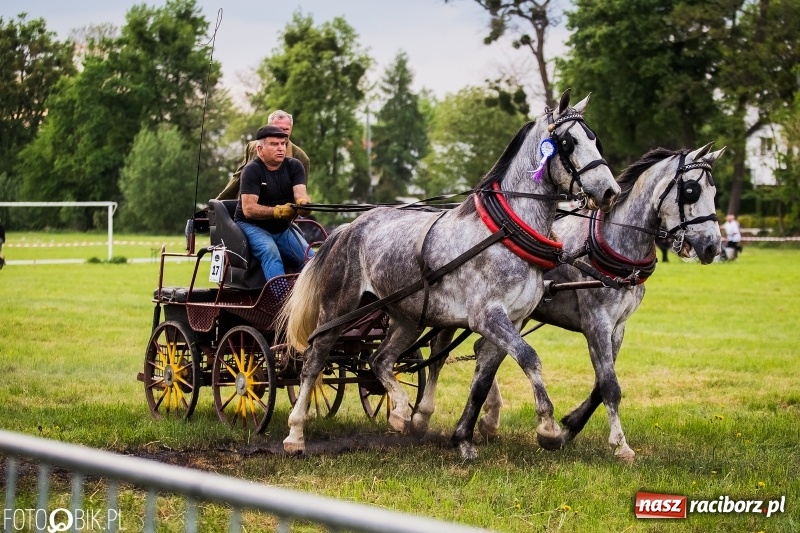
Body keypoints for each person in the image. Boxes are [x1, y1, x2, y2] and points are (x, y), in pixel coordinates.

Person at [234, 125, 313, 280]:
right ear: (259, 149)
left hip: (281, 228)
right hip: (252, 225)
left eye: (283, 144)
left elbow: (300, 194)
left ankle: (304, 299)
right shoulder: (252, 170)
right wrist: (278, 211)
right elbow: (248, 209)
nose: (281, 148)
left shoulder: (295, 166)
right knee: (271, 252)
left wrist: (304, 204)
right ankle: (281, 301)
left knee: (311, 259)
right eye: (274, 144)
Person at [217, 110, 310, 200]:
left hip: (281, 210)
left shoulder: (301, 158)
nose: (282, 133)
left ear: (291, 130)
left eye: (286, 129)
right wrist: (215, 204)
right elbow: (238, 178)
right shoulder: (253, 147)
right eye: (277, 128)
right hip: (248, 203)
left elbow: (300, 194)